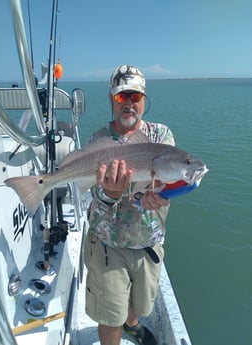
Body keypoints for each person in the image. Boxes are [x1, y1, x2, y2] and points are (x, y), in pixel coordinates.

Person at [84, 65, 175, 345]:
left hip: (148, 242)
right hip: (107, 245)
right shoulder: (98, 142)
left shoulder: (160, 137)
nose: (129, 103)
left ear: (144, 100)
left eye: (135, 96)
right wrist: (109, 195)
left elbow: (171, 182)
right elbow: (92, 202)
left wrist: (163, 195)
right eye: (122, 97)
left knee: (139, 306)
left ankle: (131, 325)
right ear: (111, 99)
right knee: (110, 316)